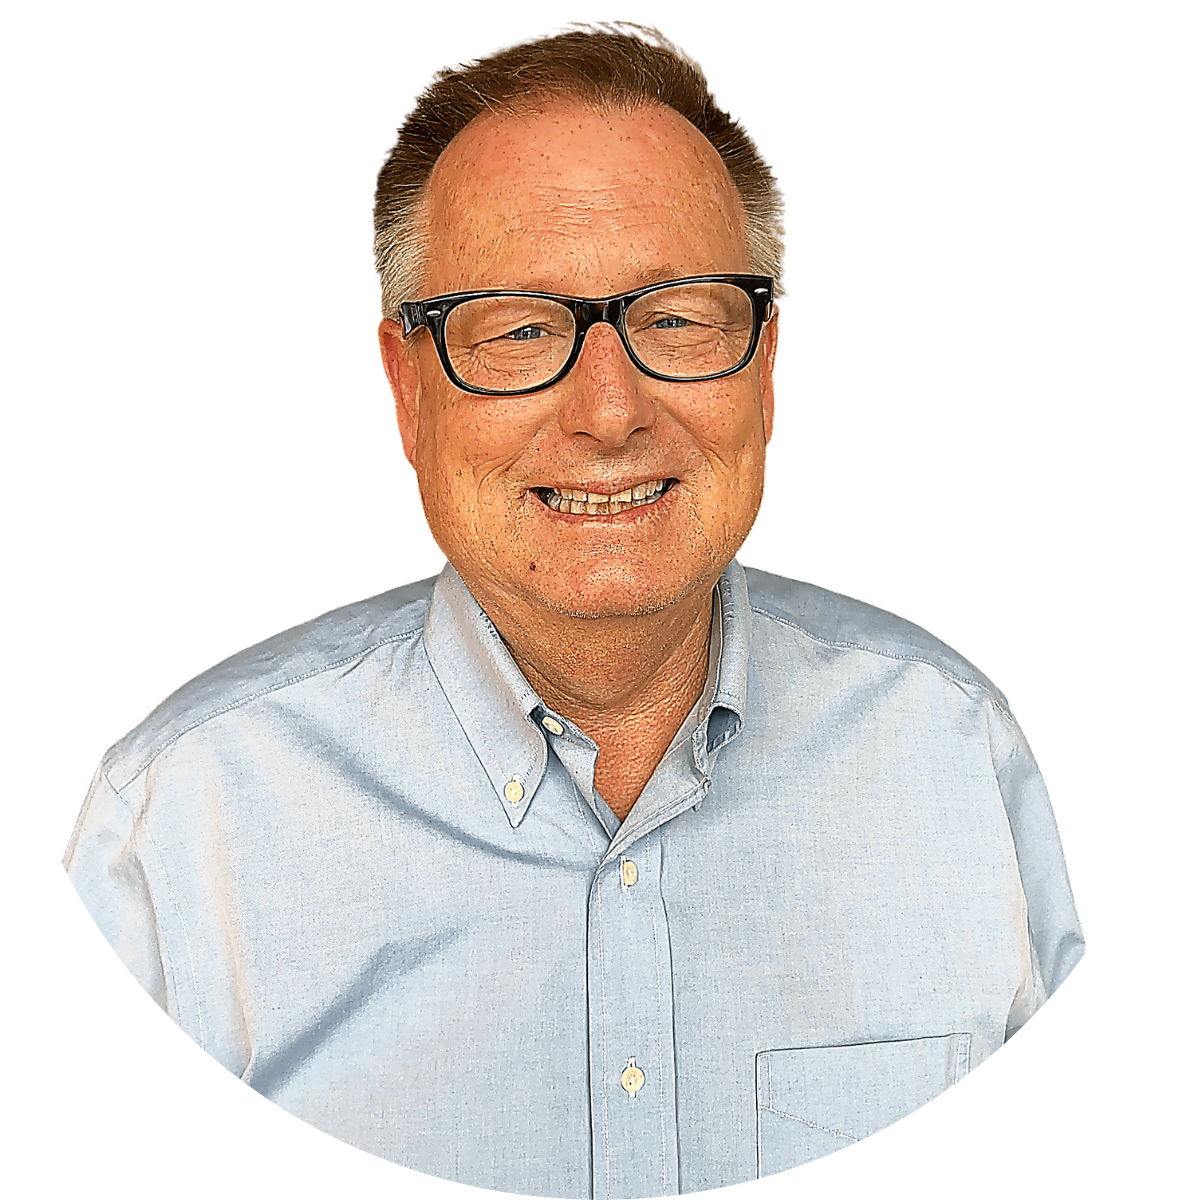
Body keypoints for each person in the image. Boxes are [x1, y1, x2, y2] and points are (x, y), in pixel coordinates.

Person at [63, 25, 1084, 1200]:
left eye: (678, 319)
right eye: (520, 330)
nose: (609, 411)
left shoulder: (955, 758)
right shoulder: (181, 831)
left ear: (764, 366)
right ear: (406, 388)